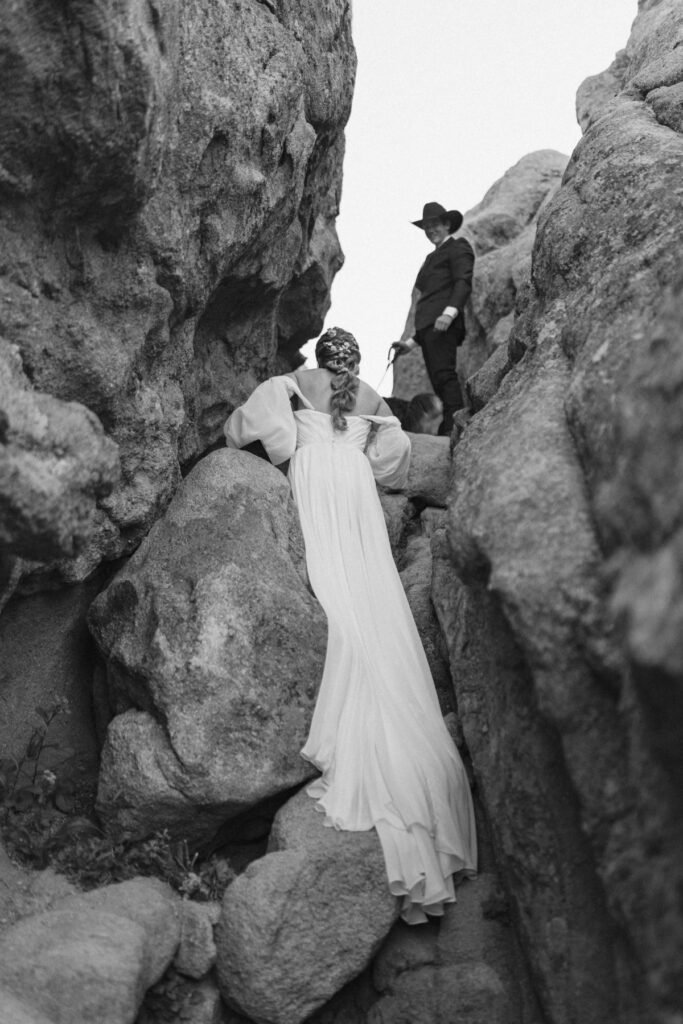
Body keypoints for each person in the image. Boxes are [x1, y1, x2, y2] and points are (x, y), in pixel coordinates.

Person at [224, 327, 477, 924]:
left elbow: (256, 432)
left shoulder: (293, 384)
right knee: (371, 590)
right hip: (356, 491)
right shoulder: (373, 402)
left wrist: (277, 444)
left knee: (332, 587)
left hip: (316, 481)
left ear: (319, 356)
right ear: (357, 363)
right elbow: (393, 463)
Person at [391, 202, 475, 435]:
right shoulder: (431, 258)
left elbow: (463, 281)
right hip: (429, 328)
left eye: (435, 225)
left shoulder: (458, 247)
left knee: (445, 376)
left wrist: (449, 313)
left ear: (447, 224)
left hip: (443, 323)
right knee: (438, 379)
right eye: (427, 227)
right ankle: (449, 424)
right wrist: (410, 343)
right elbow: (429, 300)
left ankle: (453, 426)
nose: (430, 230)